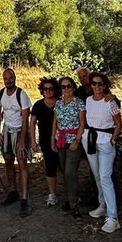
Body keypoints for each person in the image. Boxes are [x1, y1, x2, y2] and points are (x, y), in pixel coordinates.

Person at [81, 72, 122, 234]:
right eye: (94, 83)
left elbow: (118, 123)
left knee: (105, 176)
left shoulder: (110, 101)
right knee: (97, 175)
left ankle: (113, 217)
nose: (97, 86)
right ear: (90, 85)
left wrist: (113, 139)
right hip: (90, 139)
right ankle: (102, 205)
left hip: (105, 141)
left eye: (100, 84)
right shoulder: (88, 100)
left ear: (105, 85)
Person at [0, 68, 32, 217]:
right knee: (8, 161)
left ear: (15, 78)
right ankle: (13, 191)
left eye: (10, 78)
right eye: (5, 78)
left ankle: (24, 199)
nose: (8, 81)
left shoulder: (21, 95)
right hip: (7, 130)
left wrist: (22, 141)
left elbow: (25, 119)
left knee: (22, 162)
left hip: (19, 130)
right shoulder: (0, 94)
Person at [51, 77, 86, 217]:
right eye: (63, 87)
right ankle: (72, 198)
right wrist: (52, 140)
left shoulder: (79, 103)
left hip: (73, 141)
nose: (66, 89)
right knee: (64, 171)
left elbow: (82, 123)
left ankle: (73, 204)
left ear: (73, 87)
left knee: (70, 171)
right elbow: (55, 122)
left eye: (68, 86)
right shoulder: (58, 103)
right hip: (60, 140)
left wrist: (77, 140)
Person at [30, 77, 60, 207]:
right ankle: (52, 194)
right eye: (45, 89)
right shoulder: (38, 105)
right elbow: (32, 123)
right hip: (45, 140)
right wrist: (33, 141)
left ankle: (72, 194)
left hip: (61, 139)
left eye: (51, 88)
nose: (48, 91)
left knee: (66, 167)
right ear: (42, 90)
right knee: (50, 166)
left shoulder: (60, 103)